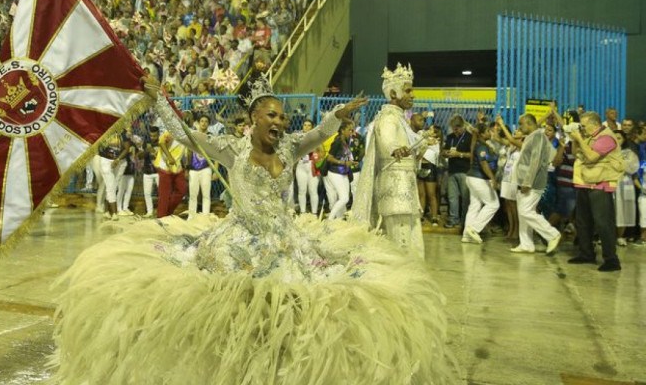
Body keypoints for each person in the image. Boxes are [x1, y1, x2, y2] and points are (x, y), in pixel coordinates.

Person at [52, 76, 455, 384]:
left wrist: (338, 116)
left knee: (297, 301)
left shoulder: (290, 146)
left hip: (285, 239)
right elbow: (185, 135)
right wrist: (158, 99)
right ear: (253, 120)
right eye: (272, 115)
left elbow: (318, 134)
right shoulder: (231, 148)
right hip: (238, 239)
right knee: (229, 305)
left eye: (283, 115)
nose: (280, 121)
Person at [352, 64, 424, 257]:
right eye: (408, 90)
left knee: (409, 242)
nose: (413, 95)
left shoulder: (400, 119)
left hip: (405, 191)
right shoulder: (388, 118)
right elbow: (388, 138)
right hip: (395, 192)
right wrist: (394, 149)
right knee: (400, 246)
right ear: (393, 94)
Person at [568, 112, 624, 271]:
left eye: (584, 125)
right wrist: (575, 140)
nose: (582, 128)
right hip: (585, 183)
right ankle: (586, 253)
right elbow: (575, 153)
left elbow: (592, 157)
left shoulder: (606, 137)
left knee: (603, 223)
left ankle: (611, 260)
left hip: (600, 184)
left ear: (594, 124)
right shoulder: (588, 137)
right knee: (582, 221)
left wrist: (579, 138)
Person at [508, 114, 562, 255]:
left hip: (532, 183)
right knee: (523, 213)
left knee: (526, 211)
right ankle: (526, 244)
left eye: (521, 124)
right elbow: (549, 155)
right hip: (524, 182)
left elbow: (535, 161)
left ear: (529, 123)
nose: (519, 127)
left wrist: (527, 182)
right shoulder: (534, 137)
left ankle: (552, 234)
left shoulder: (538, 137)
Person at [462, 122, 500, 244]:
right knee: (493, 204)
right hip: (478, 179)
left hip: (474, 179)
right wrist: (493, 178)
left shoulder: (482, 144)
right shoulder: (481, 147)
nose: (491, 133)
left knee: (475, 205)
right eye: (488, 131)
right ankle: (473, 229)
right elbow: (484, 164)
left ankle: (466, 236)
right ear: (483, 134)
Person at [443, 115, 472, 228]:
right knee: (452, 197)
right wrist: (445, 153)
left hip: (465, 171)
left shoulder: (469, 137)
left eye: (458, 128)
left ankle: (465, 221)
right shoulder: (450, 137)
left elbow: (472, 155)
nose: (456, 131)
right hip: (452, 170)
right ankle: (453, 219)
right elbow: (444, 150)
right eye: (454, 128)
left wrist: (459, 154)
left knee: (465, 198)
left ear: (462, 126)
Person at [324, 120, 357, 220]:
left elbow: (344, 156)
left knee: (344, 199)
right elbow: (329, 158)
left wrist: (351, 162)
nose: (351, 132)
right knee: (344, 198)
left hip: (344, 172)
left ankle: (339, 220)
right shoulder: (337, 141)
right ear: (342, 130)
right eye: (349, 130)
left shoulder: (346, 140)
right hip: (335, 172)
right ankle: (330, 219)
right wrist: (344, 163)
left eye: (352, 129)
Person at [186, 114, 214, 218]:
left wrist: (215, 170)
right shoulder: (193, 135)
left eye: (206, 121)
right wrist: (187, 168)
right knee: (193, 194)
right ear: (198, 123)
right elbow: (189, 151)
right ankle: (191, 216)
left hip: (206, 168)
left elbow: (215, 154)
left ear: (209, 124)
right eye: (202, 121)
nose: (204, 123)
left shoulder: (211, 137)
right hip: (193, 168)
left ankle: (205, 217)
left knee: (206, 194)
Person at [295, 118, 322, 215]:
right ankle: (302, 212)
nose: (306, 127)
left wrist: (314, 150)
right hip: (301, 165)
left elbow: (321, 151)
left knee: (312, 190)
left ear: (312, 127)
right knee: (302, 190)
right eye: (304, 125)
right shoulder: (298, 137)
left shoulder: (316, 137)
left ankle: (314, 213)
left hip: (312, 165)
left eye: (309, 125)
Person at [139, 126, 161, 217]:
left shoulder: (162, 143)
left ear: (158, 134)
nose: (152, 138)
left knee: (162, 193)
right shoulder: (146, 143)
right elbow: (140, 156)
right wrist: (146, 151)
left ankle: (162, 211)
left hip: (159, 171)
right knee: (147, 193)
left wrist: (153, 151)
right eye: (151, 136)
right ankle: (149, 212)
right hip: (147, 171)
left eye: (155, 136)